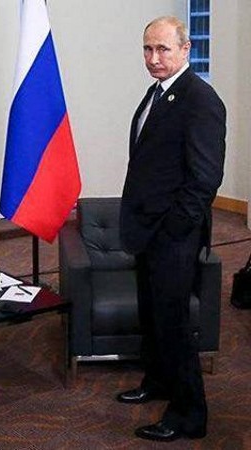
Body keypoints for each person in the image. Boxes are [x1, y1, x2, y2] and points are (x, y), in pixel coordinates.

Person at [118, 16, 226, 442]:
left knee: (174, 325)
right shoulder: (157, 91)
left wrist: (173, 230)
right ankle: (159, 381)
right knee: (153, 316)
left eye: (163, 49)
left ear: (186, 49)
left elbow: (204, 179)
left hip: (173, 237)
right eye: (147, 49)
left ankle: (189, 415)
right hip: (147, 231)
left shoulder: (201, 100)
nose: (153, 58)